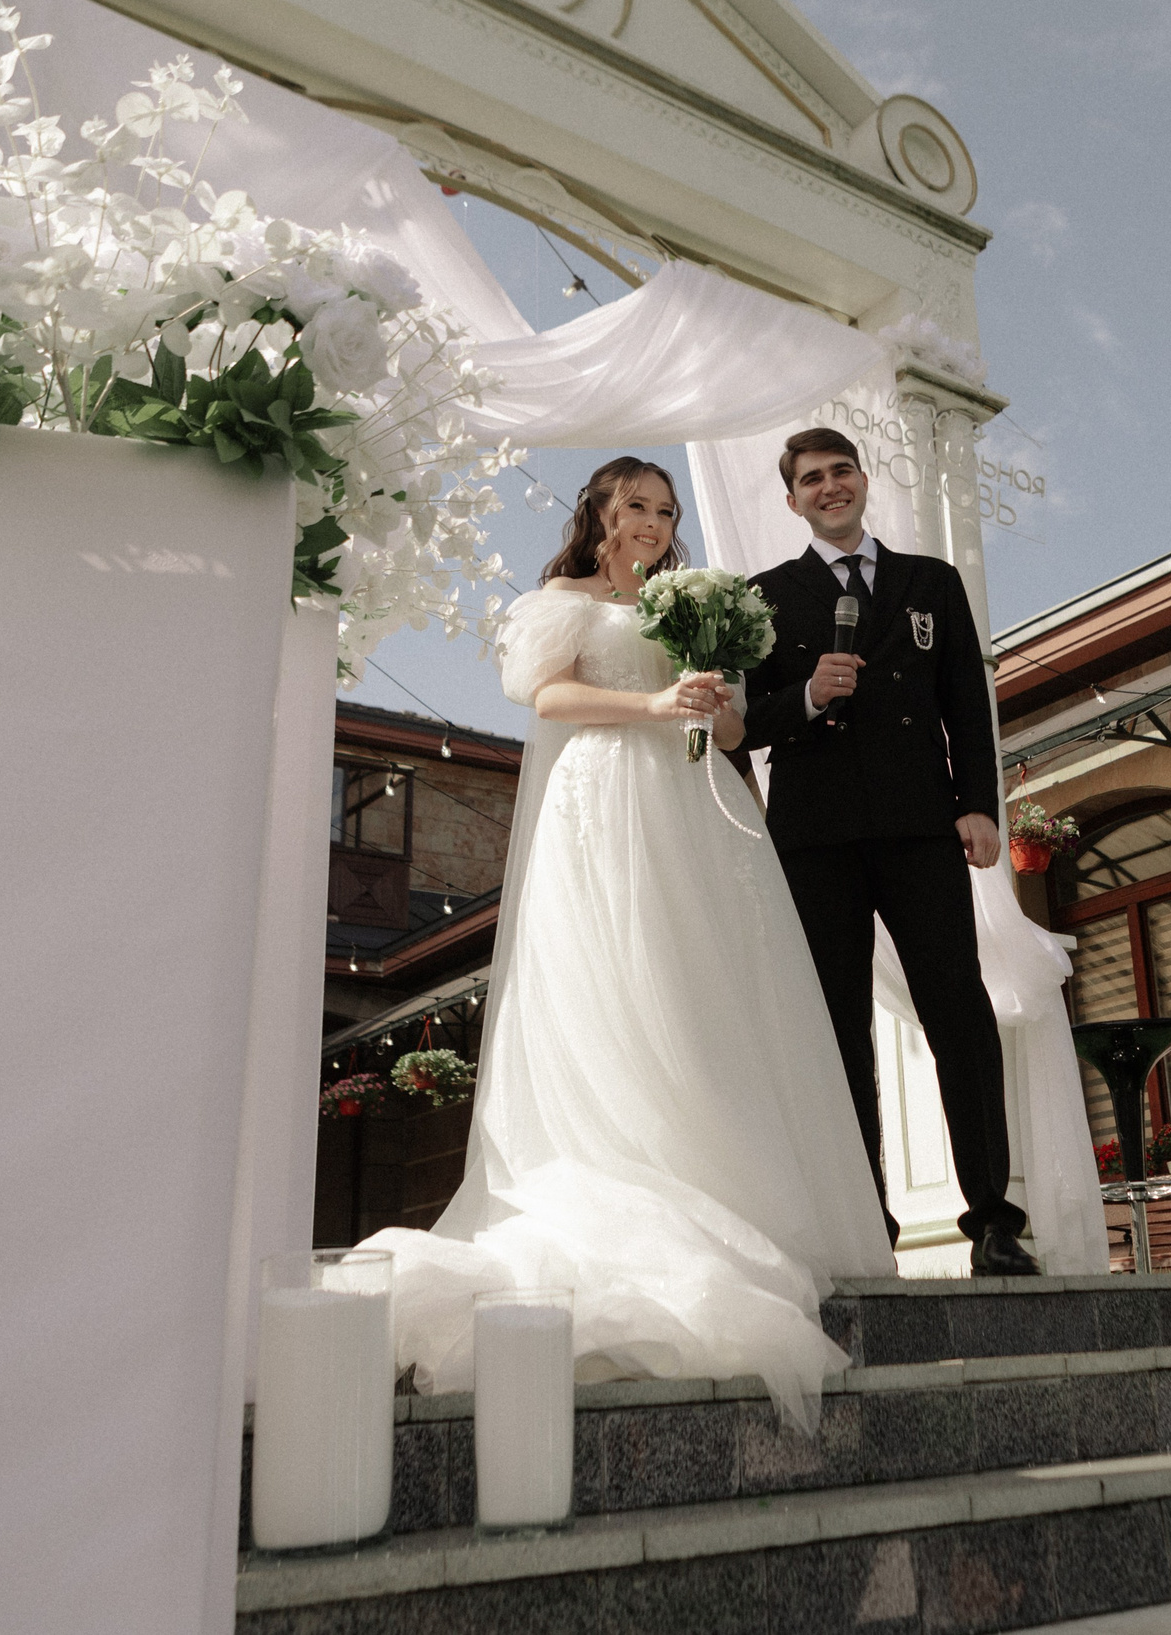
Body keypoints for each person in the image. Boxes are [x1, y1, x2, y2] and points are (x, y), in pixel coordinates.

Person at [356, 457, 894, 1433]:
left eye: (666, 509)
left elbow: (730, 730)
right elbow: (546, 697)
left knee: (708, 995)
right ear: (600, 514)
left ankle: (736, 1196)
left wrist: (712, 694)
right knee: (622, 984)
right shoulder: (566, 598)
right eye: (637, 506)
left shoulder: (702, 605)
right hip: (605, 795)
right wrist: (651, 707)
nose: (654, 522)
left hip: (696, 806)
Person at [736, 427, 1039, 1277]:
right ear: (791, 499)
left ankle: (992, 1219)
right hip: (815, 837)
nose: (829, 488)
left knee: (960, 1014)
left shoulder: (929, 582)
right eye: (810, 479)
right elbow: (740, 723)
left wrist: (979, 804)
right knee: (838, 1032)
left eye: (840, 472)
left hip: (919, 828)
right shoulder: (763, 598)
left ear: (864, 481)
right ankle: (865, 1224)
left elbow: (965, 702)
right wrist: (804, 695)